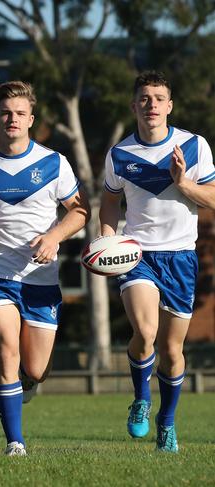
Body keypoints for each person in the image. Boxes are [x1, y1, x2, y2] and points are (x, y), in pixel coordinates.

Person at [0, 81, 90, 456]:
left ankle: (29, 383)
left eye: (18, 113)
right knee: (7, 352)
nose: (11, 119)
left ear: (30, 119)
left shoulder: (53, 163)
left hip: (40, 281)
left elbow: (80, 211)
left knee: (34, 367)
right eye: (4, 113)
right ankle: (15, 442)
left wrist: (54, 237)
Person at [99, 71, 215, 452]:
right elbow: (110, 200)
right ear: (134, 106)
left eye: (158, 98)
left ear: (169, 106)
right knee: (145, 332)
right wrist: (107, 234)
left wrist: (183, 185)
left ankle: (167, 421)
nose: (151, 105)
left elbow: (212, 198)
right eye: (144, 98)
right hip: (136, 254)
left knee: (171, 351)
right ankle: (141, 399)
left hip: (181, 256)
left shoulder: (194, 146)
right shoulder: (119, 154)